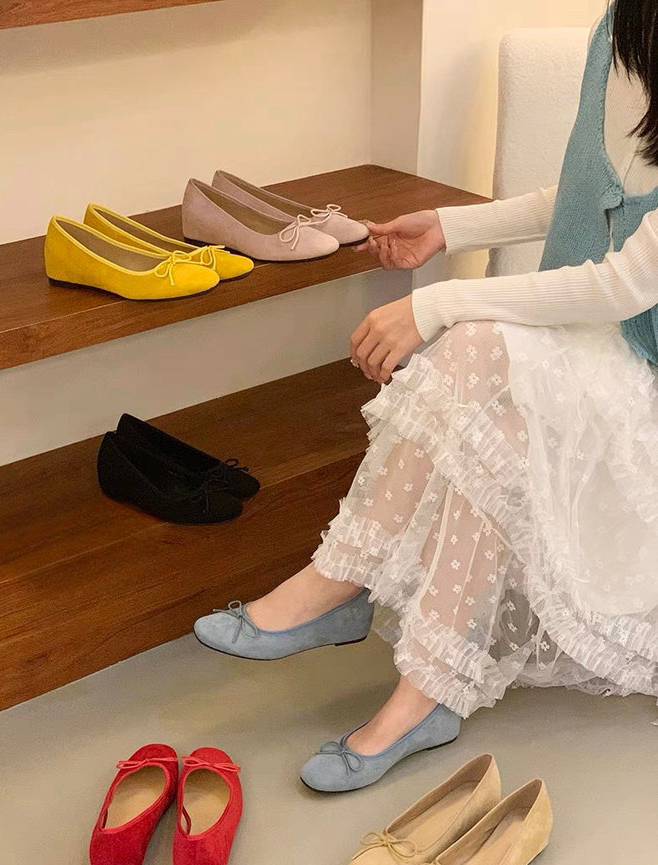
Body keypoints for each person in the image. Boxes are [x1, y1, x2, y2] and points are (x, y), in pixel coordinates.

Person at [194, 0, 658, 792]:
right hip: (585, 342)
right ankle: (419, 694)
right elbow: (584, 192)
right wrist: (452, 226)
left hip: (641, 361)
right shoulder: (620, 28)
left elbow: (629, 284)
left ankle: (341, 589)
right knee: (489, 392)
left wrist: (438, 303)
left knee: (475, 348)